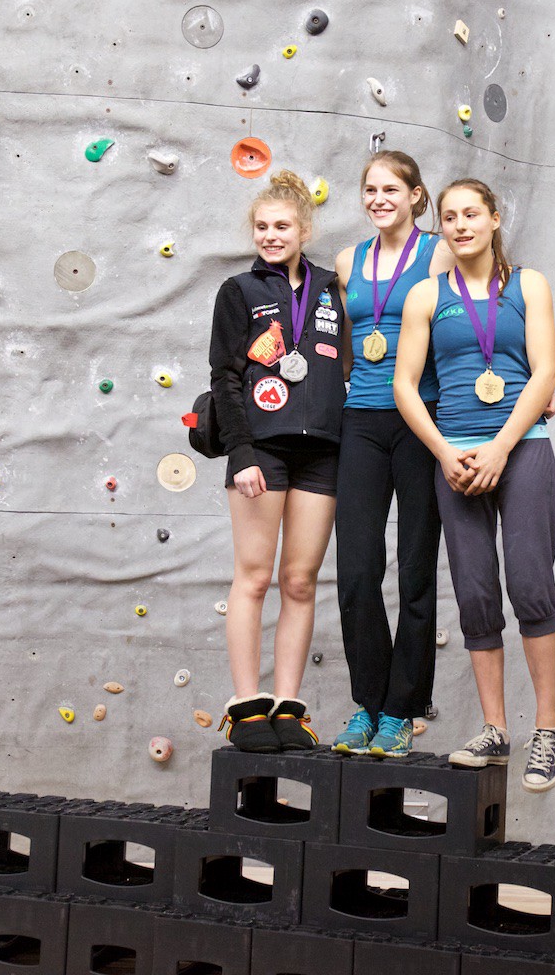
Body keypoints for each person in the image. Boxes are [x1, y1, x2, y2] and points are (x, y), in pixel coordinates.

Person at [394, 177, 555, 792]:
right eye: (449, 216)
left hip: (521, 451)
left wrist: (500, 446)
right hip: (455, 458)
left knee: (529, 583)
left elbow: (545, 373)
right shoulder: (424, 297)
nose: (461, 224)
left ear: (494, 219)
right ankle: (495, 729)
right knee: (474, 593)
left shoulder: (529, 285)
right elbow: (405, 385)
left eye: (472, 213)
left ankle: (547, 727)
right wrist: (444, 451)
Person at [208, 170, 346, 752]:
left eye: (281, 226)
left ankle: (288, 707)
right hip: (261, 449)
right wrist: (240, 452)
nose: (270, 235)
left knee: (299, 580)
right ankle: (247, 707)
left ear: (304, 229)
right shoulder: (238, 291)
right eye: (262, 227)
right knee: (256, 576)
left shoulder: (334, 287)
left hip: (322, 450)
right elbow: (225, 377)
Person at [330, 151, 454, 758]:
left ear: (415, 195)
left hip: (421, 422)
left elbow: (480, 312)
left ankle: (402, 711)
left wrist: (532, 389)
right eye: (369, 188)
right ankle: (367, 705)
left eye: (390, 189)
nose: (378, 198)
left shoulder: (439, 253)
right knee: (355, 570)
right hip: (362, 422)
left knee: (415, 571)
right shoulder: (348, 260)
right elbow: (346, 346)